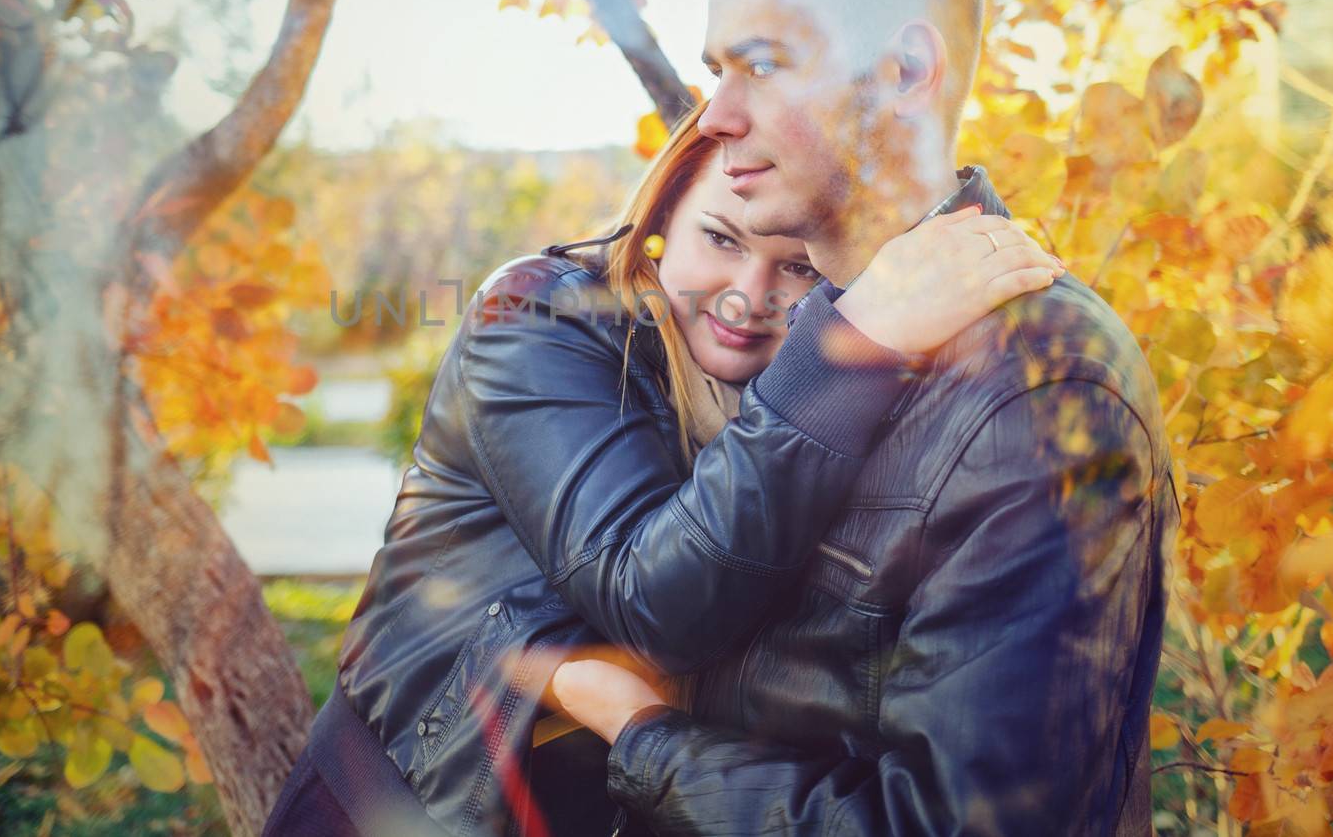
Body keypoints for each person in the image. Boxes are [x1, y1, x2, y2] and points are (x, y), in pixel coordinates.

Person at [549, 0, 1176, 836]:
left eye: (761, 64)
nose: (715, 117)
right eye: (718, 71)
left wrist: (647, 741)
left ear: (905, 70)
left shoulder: (1037, 388)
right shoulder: (797, 344)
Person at [261, 104, 1064, 836]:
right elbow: (657, 600)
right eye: (721, 238)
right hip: (408, 805)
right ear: (662, 221)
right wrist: (852, 339)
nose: (750, 296)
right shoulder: (539, 318)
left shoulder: (815, 394)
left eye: (799, 270)